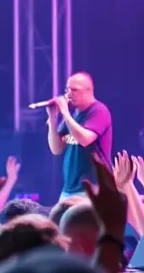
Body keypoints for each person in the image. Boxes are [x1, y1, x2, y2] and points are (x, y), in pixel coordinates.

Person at [46, 72, 113, 201]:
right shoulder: (73, 115)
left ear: (89, 90)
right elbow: (56, 149)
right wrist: (53, 119)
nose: (69, 94)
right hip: (69, 189)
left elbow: (85, 139)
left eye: (74, 90)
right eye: (67, 90)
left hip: (94, 189)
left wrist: (65, 112)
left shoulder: (99, 111)